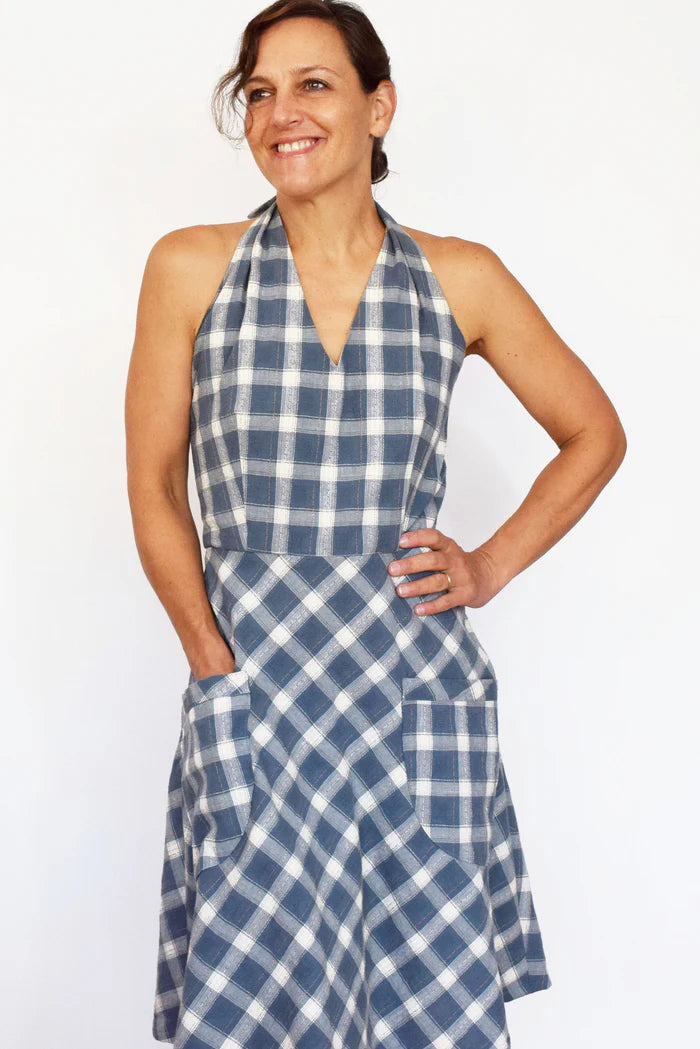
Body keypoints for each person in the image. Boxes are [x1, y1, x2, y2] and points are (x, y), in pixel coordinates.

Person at [125, 2, 626, 1046]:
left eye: (313, 83)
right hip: (255, 678)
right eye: (259, 91)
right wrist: (212, 659)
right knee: (252, 995)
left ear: (376, 105)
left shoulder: (460, 275)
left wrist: (485, 566)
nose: (279, 112)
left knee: (422, 1002)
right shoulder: (191, 266)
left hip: (406, 681)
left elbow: (593, 433)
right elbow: (155, 486)